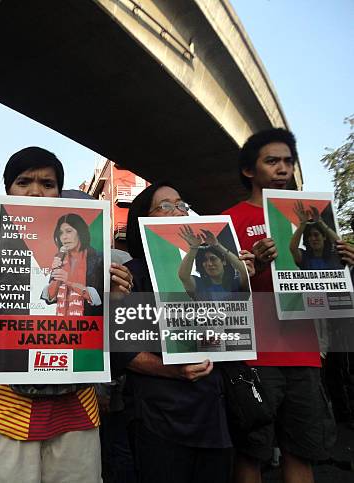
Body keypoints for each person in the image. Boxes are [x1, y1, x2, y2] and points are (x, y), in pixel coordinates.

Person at [0, 146, 133, 483]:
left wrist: (116, 299)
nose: (36, 192)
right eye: (23, 182)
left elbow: (112, 343)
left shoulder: (98, 259)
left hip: (75, 406)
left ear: (60, 192)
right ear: (8, 190)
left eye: (47, 183)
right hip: (5, 409)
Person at [222, 128, 353, 483]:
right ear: (249, 170)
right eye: (272, 161)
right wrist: (254, 268)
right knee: (251, 456)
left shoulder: (311, 216)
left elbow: (326, 290)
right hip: (253, 357)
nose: (283, 168)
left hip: (304, 353)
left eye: (288, 161)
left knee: (301, 453)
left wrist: (344, 264)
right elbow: (216, 295)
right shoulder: (228, 220)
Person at [113, 182, 251, 483]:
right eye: (165, 206)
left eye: (181, 204)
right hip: (161, 417)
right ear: (143, 220)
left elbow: (237, 328)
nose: (177, 210)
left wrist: (241, 273)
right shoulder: (131, 275)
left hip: (215, 415)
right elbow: (121, 352)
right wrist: (171, 371)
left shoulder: (212, 270)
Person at [42, 213, 103, 316]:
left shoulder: (98, 258)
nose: (64, 237)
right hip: (63, 325)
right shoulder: (60, 257)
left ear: (80, 233)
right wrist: (57, 274)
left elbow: (99, 299)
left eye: (69, 231)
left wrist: (70, 281)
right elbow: (50, 298)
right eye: (61, 233)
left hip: (90, 325)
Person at [177, 225, 248, 301]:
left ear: (223, 261)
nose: (209, 264)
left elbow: (245, 271)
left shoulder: (235, 283)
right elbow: (183, 276)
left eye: (213, 259)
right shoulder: (199, 285)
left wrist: (217, 246)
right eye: (204, 260)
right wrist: (194, 247)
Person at [289, 201, 342, 270]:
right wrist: (302, 224)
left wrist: (321, 222)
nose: (313, 238)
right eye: (309, 236)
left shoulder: (334, 256)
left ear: (324, 237)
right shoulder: (304, 258)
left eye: (316, 235)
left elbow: (339, 244)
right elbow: (293, 248)